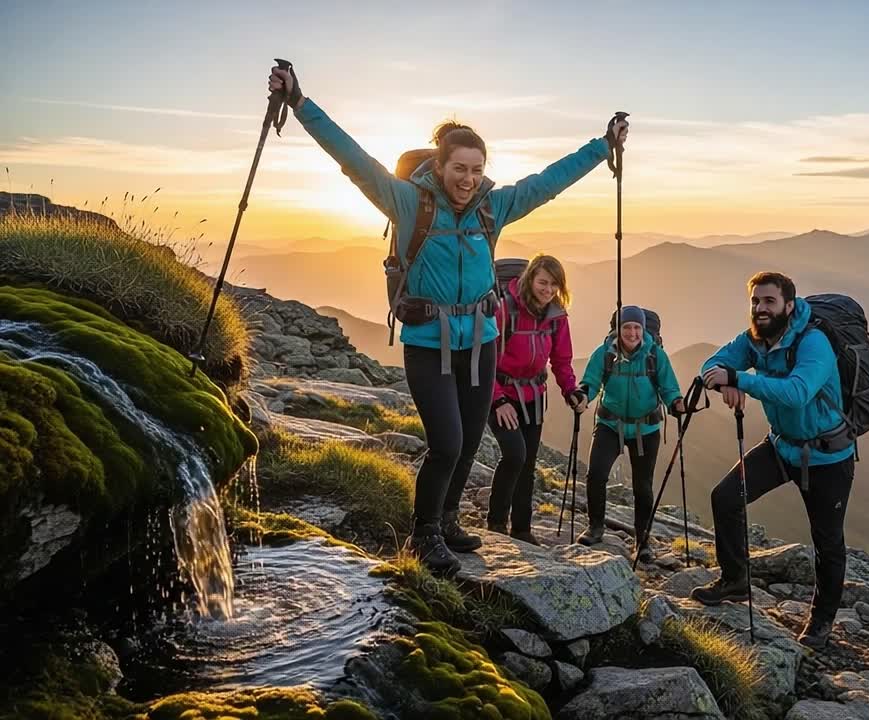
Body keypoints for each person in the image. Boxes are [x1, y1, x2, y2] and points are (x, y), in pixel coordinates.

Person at [267, 65, 628, 576]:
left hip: (481, 341)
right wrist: (301, 103)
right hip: (427, 340)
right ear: (439, 166)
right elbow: (353, 159)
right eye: (460, 168)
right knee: (448, 442)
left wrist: (601, 145)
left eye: (477, 170)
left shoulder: (491, 209)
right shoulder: (408, 203)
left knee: (470, 439)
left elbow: (548, 182)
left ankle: (451, 518)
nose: (469, 179)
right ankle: (425, 533)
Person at [693, 272, 856, 648]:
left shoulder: (814, 343)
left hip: (827, 455)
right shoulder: (755, 340)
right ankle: (735, 580)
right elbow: (711, 364)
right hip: (782, 447)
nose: (760, 309)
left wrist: (741, 380)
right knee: (725, 497)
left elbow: (798, 392)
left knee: (827, 540)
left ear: (789, 305)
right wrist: (724, 381)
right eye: (755, 301)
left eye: (768, 301)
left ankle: (822, 619)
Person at [483, 254, 584, 545]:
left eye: (554, 284)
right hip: (501, 393)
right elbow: (485, 357)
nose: (548, 289)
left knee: (527, 462)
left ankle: (522, 528)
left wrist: (570, 390)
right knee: (515, 455)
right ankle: (497, 522)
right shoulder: (505, 309)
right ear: (530, 279)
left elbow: (561, 360)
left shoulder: (556, 316)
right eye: (543, 282)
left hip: (535, 396)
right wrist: (498, 400)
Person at [574, 306, 684, 563]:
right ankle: (595, 527)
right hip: (609, 425)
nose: (632, 333)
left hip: (646, 429)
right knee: (596, 474)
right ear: (617, 330)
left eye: (637, 327)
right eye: (627, 327)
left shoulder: (656, 355)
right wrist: (582, 397)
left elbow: (669, 387)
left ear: (644, 329)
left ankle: (642, 541)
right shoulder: (605, 354)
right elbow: (590, 383)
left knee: (642, 486)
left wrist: (677, 403)